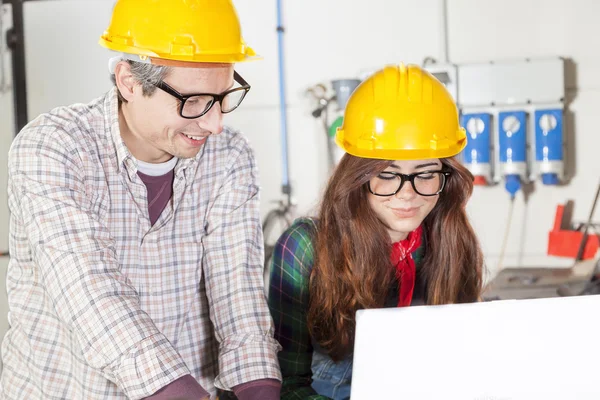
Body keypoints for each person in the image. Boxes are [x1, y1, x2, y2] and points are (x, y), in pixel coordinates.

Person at [0, 1, 282, 399]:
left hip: (189, 386)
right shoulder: (53, 147)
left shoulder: (229, 155)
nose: (216, 123)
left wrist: (258, 388)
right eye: (195, 101)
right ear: (129, 82)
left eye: (222, 97)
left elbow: (237, 291)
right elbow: (91, 293)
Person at [268, 63, 484, 400]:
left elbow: (460, 367)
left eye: (426, 173)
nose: (407, 193)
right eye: (387, 173)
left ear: (447, 178)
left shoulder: (451, 242)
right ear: (359, 176)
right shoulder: (306, 247)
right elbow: (286, 384)